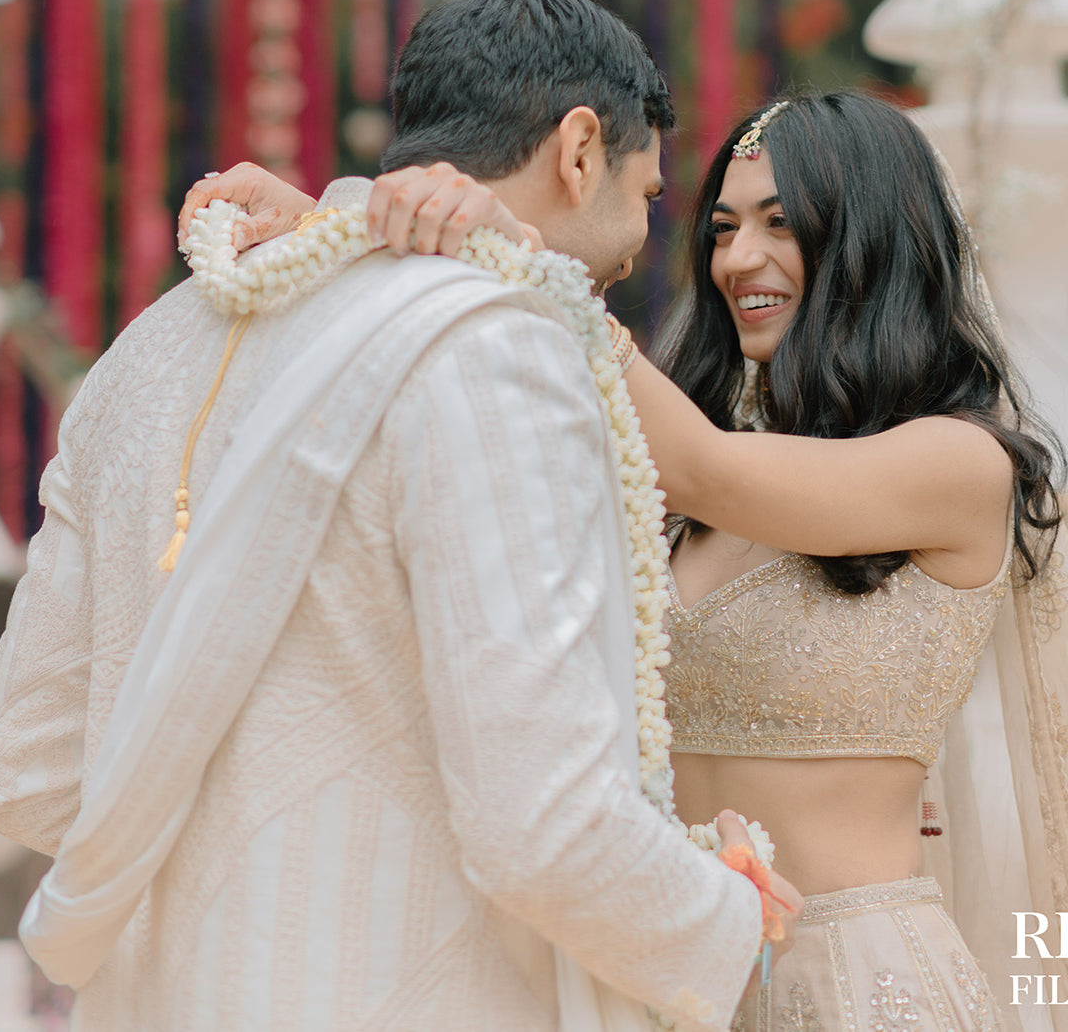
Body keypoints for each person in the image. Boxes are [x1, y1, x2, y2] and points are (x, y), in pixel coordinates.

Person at [0, 0, 801, 1032]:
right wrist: (729, 931)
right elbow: (544, 824)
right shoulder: (497, 343)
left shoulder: (147, 352)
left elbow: (32, 769)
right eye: (644, 199)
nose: (632, 253)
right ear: (581, 148)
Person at [199, 85, 1067, 1032]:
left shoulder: (960, 463)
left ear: (871, 244)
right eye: (724, 229)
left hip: (860, 986)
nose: (739, 260)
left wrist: (518, 251)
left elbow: (711, 470)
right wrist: (346, 231)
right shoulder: (681, 481)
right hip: (674, 975)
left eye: (782, 225)